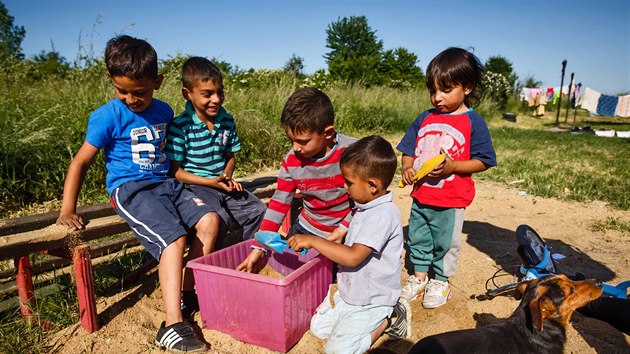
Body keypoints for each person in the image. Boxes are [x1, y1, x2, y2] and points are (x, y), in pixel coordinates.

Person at [55, 35, 215, 353]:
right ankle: (172, 324)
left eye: (139, 92)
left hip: (166, 184)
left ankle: (184, 292)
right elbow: (81, 162)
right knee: (173, 238)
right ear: (111, 81)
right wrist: (67, 209)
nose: (130, 98)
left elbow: (171, 155)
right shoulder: (107, 116)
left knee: (210, 221)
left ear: (156, 82)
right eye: (122, 90)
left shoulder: (164, 111)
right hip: (131, 189)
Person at [288, 135, 408, 353]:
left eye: (349, 182)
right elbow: (353, 221)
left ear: (372, 185)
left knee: (338, 350)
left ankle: (388, 319)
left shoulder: (382, 215)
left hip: (371, 300)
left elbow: (353, 257)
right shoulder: (366, 205)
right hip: (351, 294)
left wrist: (315, 240)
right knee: (318, 328)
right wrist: (340, 230)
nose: (344, 186)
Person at [396, 47, 497, 308]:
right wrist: (407, 167)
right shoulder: (424, 118)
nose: (437, 97)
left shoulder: (473, 122)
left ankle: (440, 280)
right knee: (418, 237)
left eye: (446, 90)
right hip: (422, 196)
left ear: (467, 87)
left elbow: (484, 160)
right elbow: (408, 149)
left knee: (445, 242)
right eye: (433, 90)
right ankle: (419, 278)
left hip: (451, 200)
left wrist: (454, 167)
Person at [236, 87, 356, 273]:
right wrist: (259, 246)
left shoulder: (354, 153)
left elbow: (366, 201)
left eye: (302, 141)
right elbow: (278, 203)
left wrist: (344, 229)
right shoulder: (291, 161)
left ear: (328, 133)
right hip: (307, 228)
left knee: (342, 277)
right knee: (291, 274)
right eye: (290, 139)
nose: (295, 148)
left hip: (346, 229)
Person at [164, 56, 265, 255]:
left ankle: (248, 256)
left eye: (220, 92)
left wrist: (226, 177)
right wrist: (210, 182)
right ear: (188, 94)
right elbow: (175, 171)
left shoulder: (226, 120)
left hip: (220, 183)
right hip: (195, 186)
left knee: (258, 210)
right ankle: (212, 266)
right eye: (207, 94)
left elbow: (230, 157)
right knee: (219, 219)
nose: (216, 99)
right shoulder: (180, 126)